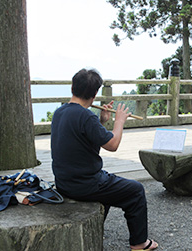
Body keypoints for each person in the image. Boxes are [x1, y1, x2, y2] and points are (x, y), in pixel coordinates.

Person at [51, 68, 158, 251]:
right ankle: (139, 244)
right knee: (136, 191)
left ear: (72, 88)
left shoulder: (59, 112)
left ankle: (96, 232)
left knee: (110, 185)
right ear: (94, 95)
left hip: (65, 183)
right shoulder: (85, 116)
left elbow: (84, 138)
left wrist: (102, 122)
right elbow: (112, 144)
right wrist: (119, 122)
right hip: (85, 184)